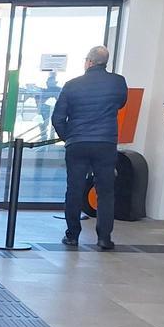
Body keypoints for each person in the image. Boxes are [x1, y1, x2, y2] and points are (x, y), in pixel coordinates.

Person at [52, 46, 128, 250]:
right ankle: (104, 238)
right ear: (106, 62)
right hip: (105, 143)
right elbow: (121, 103)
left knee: (74, 189)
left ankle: (72, 235)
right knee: (105, 191)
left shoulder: (72, 85)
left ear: (89, 62)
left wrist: (68, 137)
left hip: (77, 143)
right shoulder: (118, 82)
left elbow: (57, 118)